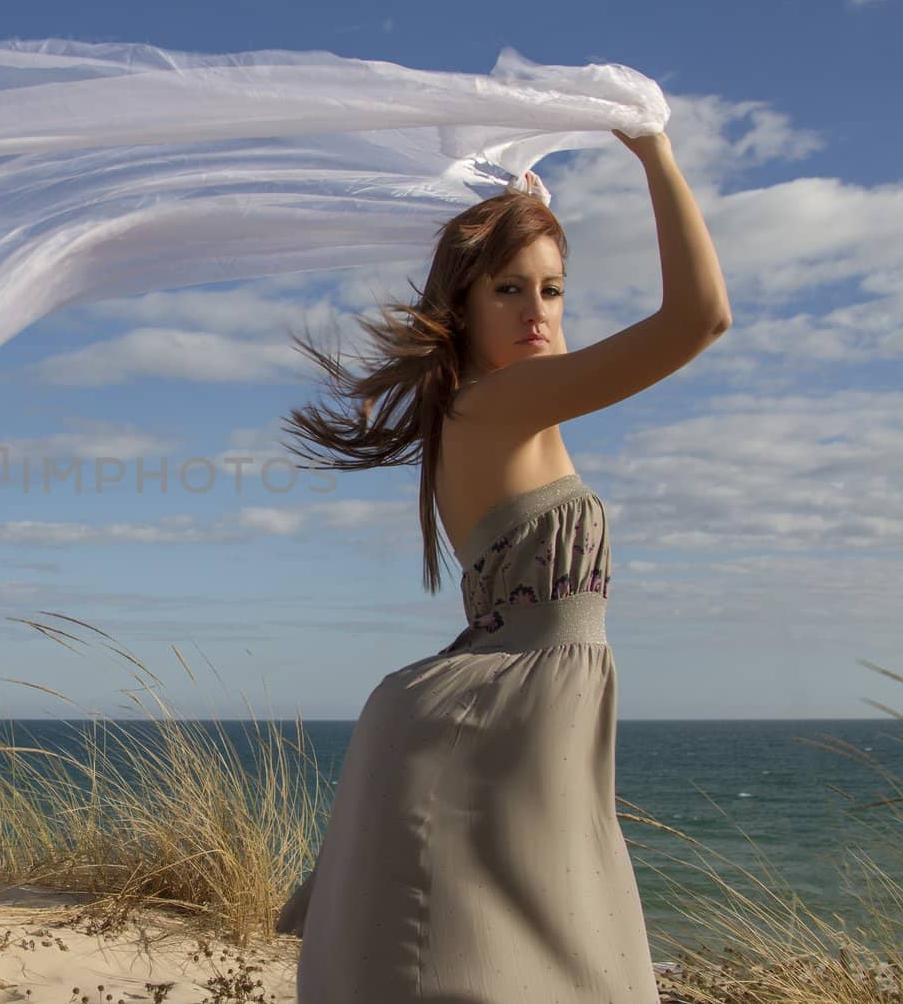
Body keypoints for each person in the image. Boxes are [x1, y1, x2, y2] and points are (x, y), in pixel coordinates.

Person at [272, 129, 730, 1002]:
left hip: (522, 716)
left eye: (553, 290)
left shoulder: (488, 405)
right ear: (464, 304)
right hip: (504, 716)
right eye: (509, 289)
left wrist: (522, 203)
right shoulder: (500, 402)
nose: (536, 311)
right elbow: (700, 318)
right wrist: (654, 151)